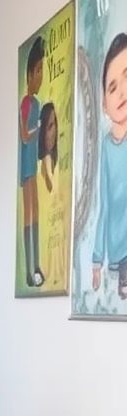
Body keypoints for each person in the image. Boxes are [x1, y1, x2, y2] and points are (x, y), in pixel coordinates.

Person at [91, 31, 127, 300]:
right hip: (118, 249)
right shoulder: (105, 147)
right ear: (104, 104)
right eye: (112, 87)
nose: (122, 92)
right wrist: (96, 260)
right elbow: (103, 204)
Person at [18, 36, 46, 286]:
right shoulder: (26, 103)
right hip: (25, 166)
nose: (40, 76)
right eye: (37, 71)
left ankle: (37, 265)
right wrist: (37, 129)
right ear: (29, 74)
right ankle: (28, 271)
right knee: (28, 212)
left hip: (34, 165)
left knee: (36, 211)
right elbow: (24, 137)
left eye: (42, 71)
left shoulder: (37, 102)